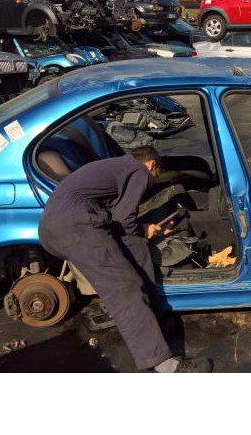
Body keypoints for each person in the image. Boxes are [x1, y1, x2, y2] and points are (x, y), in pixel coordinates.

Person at [37, 146, 213, 373]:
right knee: (124, 286)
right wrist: (144, 228)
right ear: (152, 165)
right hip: (76, 226)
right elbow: (125, 219)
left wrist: (147, 230)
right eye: (156, 175)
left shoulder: (117, 168)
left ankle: (148, 313)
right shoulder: (139, 171)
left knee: (136, 246)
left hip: (54, 227)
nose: (153, 180)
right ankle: (166, 366)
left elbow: (121, 224)